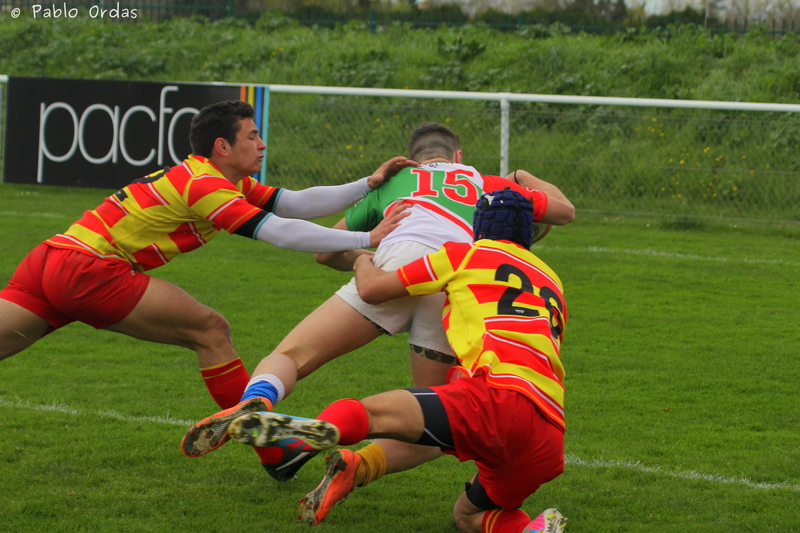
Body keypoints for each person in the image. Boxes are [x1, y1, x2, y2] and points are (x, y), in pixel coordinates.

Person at [0, 100, 412, 467]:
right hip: (90, 270)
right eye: (252, 136)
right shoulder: (205, 184)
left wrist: (367, 184)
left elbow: (294, 203)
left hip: (51, 258)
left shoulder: (218, 178)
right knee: (211, 331)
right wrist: (366, 238)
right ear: (223, 147)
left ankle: (273, 448)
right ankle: (275, 454)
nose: (263, 144)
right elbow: (279, 232)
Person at [180, 123, 574, 483]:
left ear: (412, 157)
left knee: (292, 356)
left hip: (395, 262)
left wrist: (366, 259)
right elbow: (564, 211)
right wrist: (521, 176)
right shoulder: (487, 183)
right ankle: (356, 463)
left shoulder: (396, 179)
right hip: (449, 283)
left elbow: (326, 253)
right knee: (435, 424)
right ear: (458, 156)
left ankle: (258, 399)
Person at [225, 189, 569, 533]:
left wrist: (362, 262)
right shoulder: (553, 280)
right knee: (467, 516)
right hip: (549, 431)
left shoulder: (465, 254)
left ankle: (322, 429)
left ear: (478, 227)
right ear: (530, 234)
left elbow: (373, 290)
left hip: (492, 396)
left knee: (371, 413)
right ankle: (529, 530)